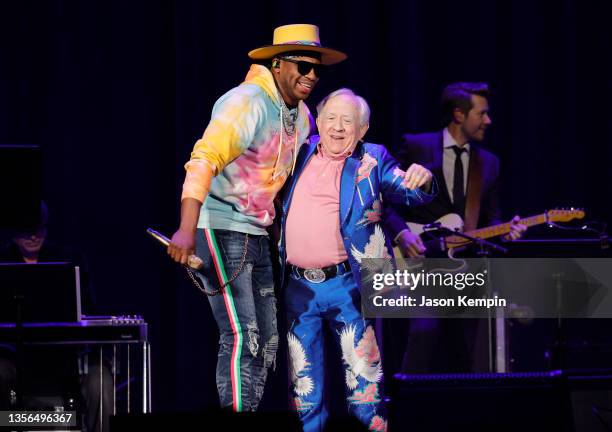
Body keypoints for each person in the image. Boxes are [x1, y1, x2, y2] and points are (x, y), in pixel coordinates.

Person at [167, 24, 347, 412]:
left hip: (258, 234)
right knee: (242, 334)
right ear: (278, 63)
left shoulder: (300, 117)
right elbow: (204, 159)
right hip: (219, 226)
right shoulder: (247, 101)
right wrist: (185, 229)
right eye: (303, 66)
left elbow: (291, 182)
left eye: (317, 69)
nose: (311, 75)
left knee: (267, 342)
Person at [279, 88, 436, 431]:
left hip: (349, 286)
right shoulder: (297, 153)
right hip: (298, 288)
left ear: (362, 129)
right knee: (303, 391)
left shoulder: (373, 159)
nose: (337, 127)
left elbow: (409, 191)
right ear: (317, 121)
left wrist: (422, 180)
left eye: (347, 121)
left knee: (364, 389)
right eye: (330, 118)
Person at [384, 82, 527, 373]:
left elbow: (491, 219)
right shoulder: (417, 146)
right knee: (422, 343)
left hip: (464, 272)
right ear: (459, 115)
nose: (488, 121)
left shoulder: (489, 163)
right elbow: (383, 200)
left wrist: (507, 230)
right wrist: (402, 232)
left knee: (467, 354)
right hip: (419, 266)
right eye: (482, 113)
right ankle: (406, 410)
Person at [0, 201, 112, 432]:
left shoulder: (69, 259)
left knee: (99, 377)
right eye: (26, 230)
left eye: (39, 228)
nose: (33, 236)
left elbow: (89, 310)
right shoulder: (3, 260)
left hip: (65, 361)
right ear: (12, 232)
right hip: (14, 360)